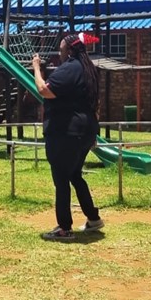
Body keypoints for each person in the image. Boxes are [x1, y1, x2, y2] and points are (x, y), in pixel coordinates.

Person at [32, 32, 104, 242]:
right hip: (86, 130)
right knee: (74, 175)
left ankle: (64, 228)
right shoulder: (88, 69)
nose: (59, 52)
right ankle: (93, 219)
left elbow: (44, 90)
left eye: (62, 49)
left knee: (61, 178)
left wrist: (36, 68)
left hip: (67, 132)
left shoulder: (70, 68)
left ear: (70, 50)